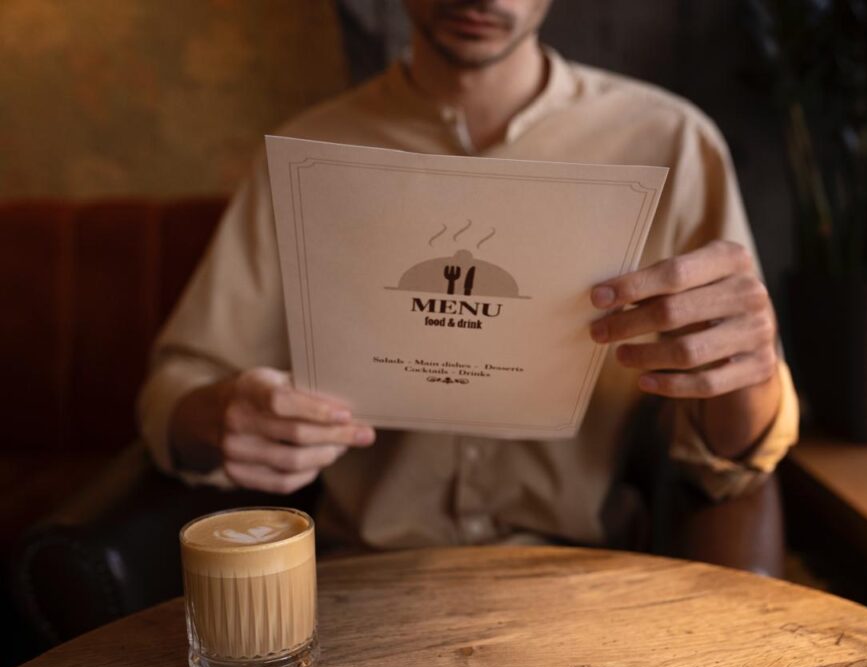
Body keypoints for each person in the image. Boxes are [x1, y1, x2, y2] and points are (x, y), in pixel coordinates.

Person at [139, 0, 798, 552]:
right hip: (362, 581)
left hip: (583, 584)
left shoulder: (671, 144)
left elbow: (732, 462)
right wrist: (220, 415)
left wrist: (753, 365)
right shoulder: (312, 157)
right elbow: (174, 389)